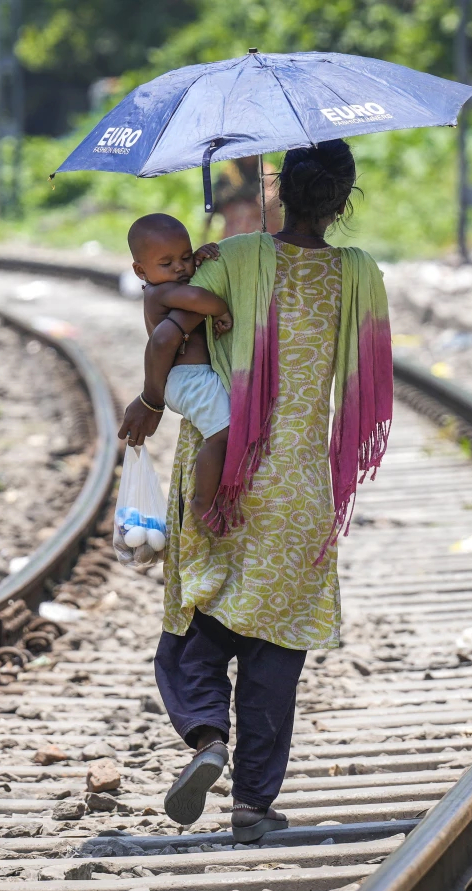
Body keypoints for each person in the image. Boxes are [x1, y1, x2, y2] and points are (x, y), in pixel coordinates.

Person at [117, 139, 394, 842]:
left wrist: (151, 398)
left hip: (226, 472)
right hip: (303, 485)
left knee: (197, 622)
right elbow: (365, 384)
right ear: (343, 198)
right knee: (276, 653)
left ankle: (206, 734)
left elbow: (172, 324)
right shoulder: (360, 275)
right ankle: (252, 802)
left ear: (278, 188)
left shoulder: (234, 256)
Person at [128, 214, 233, 523]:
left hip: (190, 378)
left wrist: (199, 261)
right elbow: (195, 296)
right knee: (222, 436)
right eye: (167, 263)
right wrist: (223, 307)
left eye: (185, 257)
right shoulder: (160, 293)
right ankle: (202, 501)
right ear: (140, 270)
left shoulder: (164, 283)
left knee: (221, 432)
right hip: (189, 379)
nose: (180, 268)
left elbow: (188, 282)